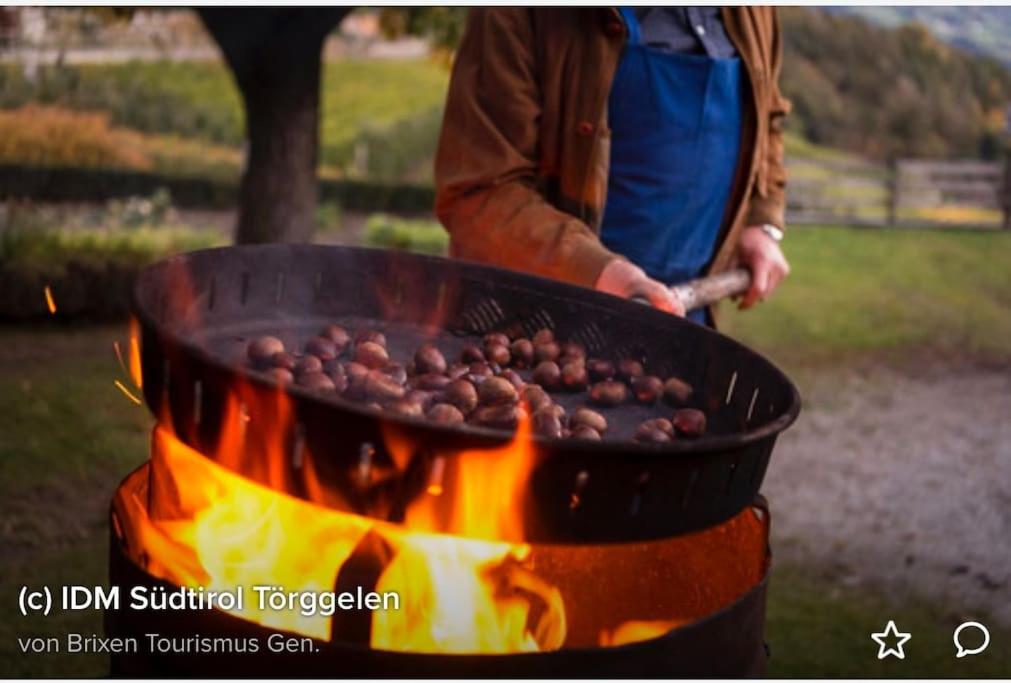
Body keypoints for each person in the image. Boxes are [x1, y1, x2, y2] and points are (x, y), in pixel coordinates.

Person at [435, 7, 791, 323]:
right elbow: (479, 193)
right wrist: (598, 271)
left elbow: (767, 116)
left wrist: (761, 220)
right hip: (537, 326)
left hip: (685, 316)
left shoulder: (754, 11)